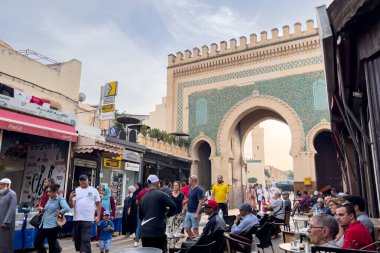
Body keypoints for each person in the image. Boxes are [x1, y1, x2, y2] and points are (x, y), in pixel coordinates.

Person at [140, 174, 177, 252]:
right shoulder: (161, 194)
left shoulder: (143, 198)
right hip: (157, 232)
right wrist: (167, 215)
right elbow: (174, 207)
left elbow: (140, 216)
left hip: (144, 233)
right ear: (157, 184)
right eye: (159, 183)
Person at [69, 174, 102, 253]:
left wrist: (98, 216)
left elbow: (98, 204)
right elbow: (71, 205)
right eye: (81, 180)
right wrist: (70, 198)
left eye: (84, 180)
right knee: (77, 239)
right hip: (77, 218)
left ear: (88, 180)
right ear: (79, 181)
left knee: (85, 239)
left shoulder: (93, 190)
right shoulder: (76, 190)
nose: (83, 181)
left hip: (88, 218)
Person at [34, 184, 71, 253]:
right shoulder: (50, 199)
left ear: (55, 191)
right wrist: (42, 209)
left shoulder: (60, 199)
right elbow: (48, 209)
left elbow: (67, 208)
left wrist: (59, 212)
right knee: (37, 243)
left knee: (52, 246)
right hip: (44, 224)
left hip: (53, 226)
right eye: (47, 192)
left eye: (50, 192)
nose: (48, 193)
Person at [36, 178, 62, 253]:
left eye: (45, 182)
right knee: (41, 241)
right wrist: (40, 205)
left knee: (51, 240)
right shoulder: (46, 192)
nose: (44, 183)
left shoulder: (57, 194)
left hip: (52, 219)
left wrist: (59, 221)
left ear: (50, 183)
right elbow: (44, 201)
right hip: (44, 217)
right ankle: (56, 249)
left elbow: (61, 207)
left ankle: (56, 249)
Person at [0, 178, 17, 253]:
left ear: (7, 185)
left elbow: (12, 209)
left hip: (6, 224)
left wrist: (6, 222)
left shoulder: (12, 194)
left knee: (6, 242)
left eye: (1, 184)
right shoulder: (1, 193)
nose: (0, 186)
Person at [184, 175, 203, 239]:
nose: (188, 181)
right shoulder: (190, 189)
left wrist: (197, 213)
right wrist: (186, 201)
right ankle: (194, 241)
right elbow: (190, 198)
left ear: (193, 181)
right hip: (188, 211)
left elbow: (200, 202)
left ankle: (197, 244)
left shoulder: (198, 190)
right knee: (187, 229)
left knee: (195, 229)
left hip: (195, 212)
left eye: (189, 180)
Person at [135, 182, 149, 247]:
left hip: (140, 211)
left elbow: (137, 202)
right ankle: (146, 240)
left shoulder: (140, 193)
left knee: (139, 226)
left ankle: (136, 241)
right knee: (148, 226)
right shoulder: (150, 193)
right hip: (148, 212)